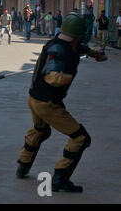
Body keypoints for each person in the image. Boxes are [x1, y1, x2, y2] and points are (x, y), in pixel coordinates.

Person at [16, 13, 107, 192]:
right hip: (47, 103)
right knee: (81, 138)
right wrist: (65, 77)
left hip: (34, 98)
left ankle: (23, 164)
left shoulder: (62, 42)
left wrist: (94, 54)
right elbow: (51, 76)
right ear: (77, 36)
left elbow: (79, 48)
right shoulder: (59, 51)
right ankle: (60, 177)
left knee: (41, 131)